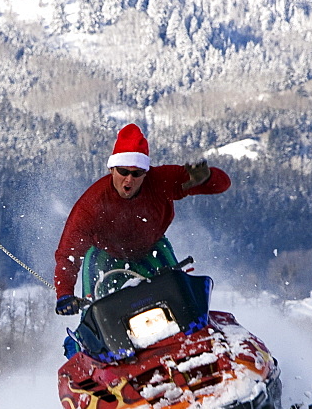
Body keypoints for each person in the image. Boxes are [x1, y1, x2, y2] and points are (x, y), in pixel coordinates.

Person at [54, 123, 231, 314]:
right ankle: (79, 343)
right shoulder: (91, 205)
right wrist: (65, 294)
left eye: (136, 173)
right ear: (112, 169)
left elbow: (223, 184)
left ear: (146, 173)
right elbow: (68, 253)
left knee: (183, 305)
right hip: (104, 256)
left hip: (152, 250)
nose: (129, 179)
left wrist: (208, 177)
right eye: (123, 171)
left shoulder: (161, 180)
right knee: (95, 315)